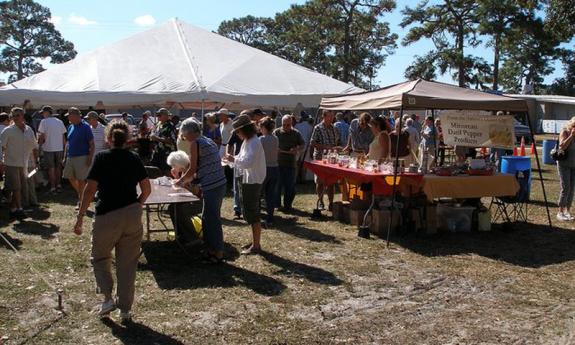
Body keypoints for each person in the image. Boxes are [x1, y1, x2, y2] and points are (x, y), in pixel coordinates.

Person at [73, 119, 151, 323]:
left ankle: (108, 298)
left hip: (106, 215)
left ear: (108, 139)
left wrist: (80, 216)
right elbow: (146, 189)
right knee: (127, 264)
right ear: (127, 139)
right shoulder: (134, 158)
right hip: (131, 215)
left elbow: (90, 190)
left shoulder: (101, 158)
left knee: (100, 258)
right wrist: (138, 206)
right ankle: (125, 309)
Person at [175, 118, 227, 262]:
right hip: (218, 183)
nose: (183, 138)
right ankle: (210, 249)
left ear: (189, 133)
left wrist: (179, 182)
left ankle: (218, 253)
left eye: (184, 135)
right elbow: (198, 168)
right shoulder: (207, 140)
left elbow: (192, 169)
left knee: (212, 220)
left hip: (213, 185)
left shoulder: (195, 143)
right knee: (207, 218)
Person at [225, 114, 266, 255]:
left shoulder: (254, 142)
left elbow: (248, 163)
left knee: (252, 213)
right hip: (247, 178)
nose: (237, 134)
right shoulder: (248, 141)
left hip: (253, 180)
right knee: (248, 211)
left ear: (246, 130)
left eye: (238, 131)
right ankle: (255, 241)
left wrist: (232, 159)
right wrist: (232, 160)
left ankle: (256, 245)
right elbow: (242, 159)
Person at [0, 107, 38, 219]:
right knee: (16, 187)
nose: (16, 118)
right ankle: (20, 209)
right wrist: (1, 162)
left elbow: (34, 145)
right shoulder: (8, 130)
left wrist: (36, 159)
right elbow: (1, 146)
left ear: (23, 116)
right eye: (14, 116)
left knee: (19, 188)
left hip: (25, 163)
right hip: (11, 163)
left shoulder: (28, 130)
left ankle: (13, 209)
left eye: (18, 115)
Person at [63, 107, 95, 209]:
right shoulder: (70, 127)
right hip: (70, 156)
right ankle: (85, 195)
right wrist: (64, 156)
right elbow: (68, 143)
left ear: (76, 115)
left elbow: (92, 144)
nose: (68, 117)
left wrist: (90, 157)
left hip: (82, 156)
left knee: (81, 180)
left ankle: (81, 201)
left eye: (69, 115)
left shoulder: (85, 127)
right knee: (70, 177)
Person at [310, 110, 341, 210]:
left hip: (331, 159)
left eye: (333, 116)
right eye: (330, 116)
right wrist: (326, 147)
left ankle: (331, 203)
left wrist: (337, 148)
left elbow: (335, 142)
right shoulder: (318, 128)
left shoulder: (334, 128)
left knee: (331, 182)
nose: (332, 118)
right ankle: (321, 201)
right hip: (320, 158)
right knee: (320, 181)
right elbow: (313, 143)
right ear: (324, 117)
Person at [274, 114, 304, 212]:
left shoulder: (296, 133)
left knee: (290, 186)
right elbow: (271, 143)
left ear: (291, 124)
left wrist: (297, 149)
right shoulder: (276, 132)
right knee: (277, 186)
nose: (286, 127)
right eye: (284, 125)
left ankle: (288, 205)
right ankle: (277, 204)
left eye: (288, 125)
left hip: (291, 164)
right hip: (278, 163)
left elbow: (303, 144)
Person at [37, 105, 67, 193]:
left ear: (47, 112)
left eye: (43, 113)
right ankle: (58, 184)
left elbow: (41, 136)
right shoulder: (59, 121)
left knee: (51, 168)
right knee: (58, 167)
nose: (42, 114)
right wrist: (65, 148)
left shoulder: (44, 121)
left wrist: (39, 146)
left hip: (48, 148)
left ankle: (53, 186)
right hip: (59, 148)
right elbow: (63, 137)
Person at [259, 117, 279, 226]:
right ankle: (270, 217)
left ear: (263, 127)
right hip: (274, 168)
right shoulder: (276, 138)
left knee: (258, 193)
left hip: (264, 169)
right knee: (270, 195)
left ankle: (257, 217)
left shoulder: (261, 139)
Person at [556, 117, 575, 221]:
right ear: (572, 125)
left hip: (574, 164)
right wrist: (571, 136)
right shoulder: (565, 131)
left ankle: (567, 211)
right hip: (564, 164)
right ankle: (560, 212)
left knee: (572, 189)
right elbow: (562, 146)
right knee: (566, 188)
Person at [150, 108, 176, 174]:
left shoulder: (170, 126)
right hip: (157, 153)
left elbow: (172, 141)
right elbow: (153, 134)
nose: (158, 117)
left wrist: (157, 138)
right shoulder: (158, 124)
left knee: (166, 172)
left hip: (166, 154)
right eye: (157, 115)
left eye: (159, 115)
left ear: (165, 116)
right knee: (155, 172)